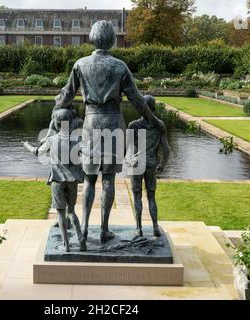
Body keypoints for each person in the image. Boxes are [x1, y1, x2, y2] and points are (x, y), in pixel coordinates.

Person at [54, 20, 165, 243]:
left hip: (91, 124)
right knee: (108, 180)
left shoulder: (80, 64)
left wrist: (56, 111)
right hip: (114, 122)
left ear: (92, 38)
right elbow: (137, 100)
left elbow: (66, 97)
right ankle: (103, 230)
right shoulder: (119, 66)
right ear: (113, 40)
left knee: (89, 179)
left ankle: (84, 228)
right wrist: (153, 120)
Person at [23, 109, 86, 252]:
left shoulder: (51, 140)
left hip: (57, 180)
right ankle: (81, 238)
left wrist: (26, 145)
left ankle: (66, 244)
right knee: (72, 211)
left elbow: (37, 152)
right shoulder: (76, 139)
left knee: (60, 212)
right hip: (72, 181)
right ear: (70, 122)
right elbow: (90, 152)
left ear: (56, 123)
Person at [126, 95, 170, 237]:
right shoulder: (159, 126)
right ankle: (155, 227)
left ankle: (139, 228)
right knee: (151, 197)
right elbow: (167, 149)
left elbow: (128, 148)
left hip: (137, 163)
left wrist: (129, 162)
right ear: (153, 107)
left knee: (137, 196)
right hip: (150, 163)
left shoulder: (133, 125)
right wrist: (162, 165)